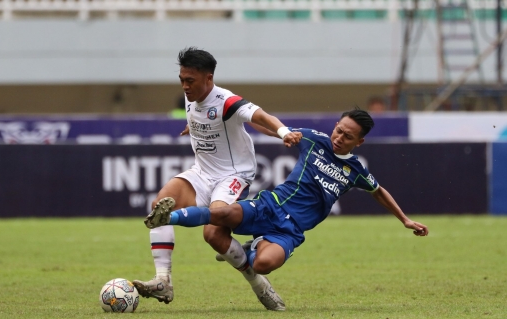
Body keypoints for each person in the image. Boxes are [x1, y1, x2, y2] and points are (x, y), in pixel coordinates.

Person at [144, 109, 429, 308]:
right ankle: (167, 217)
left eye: (347, 136)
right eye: (338, 130)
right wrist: (210, 128)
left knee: (262, 264)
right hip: (271, 205)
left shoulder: (356, 170)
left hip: (291, 230)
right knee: (221, 217)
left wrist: (404, 219)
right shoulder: (314, 139)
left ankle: (251, 249)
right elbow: (268, 127)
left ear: (359, 142)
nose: (339, 138)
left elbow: (379, 192)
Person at [133, 47, 302, 311]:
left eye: (191, 80)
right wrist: (195, 125)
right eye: (182, 79)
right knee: (160, 204)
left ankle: (258, 283)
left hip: (232, 176)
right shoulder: (191, 98)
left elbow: (259, 116)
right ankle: (163, 279)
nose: (185, 86)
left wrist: (282, 132)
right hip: (202, 172)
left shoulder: (227, 101)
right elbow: (203, 115)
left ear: (208, 78)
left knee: (212, 234)